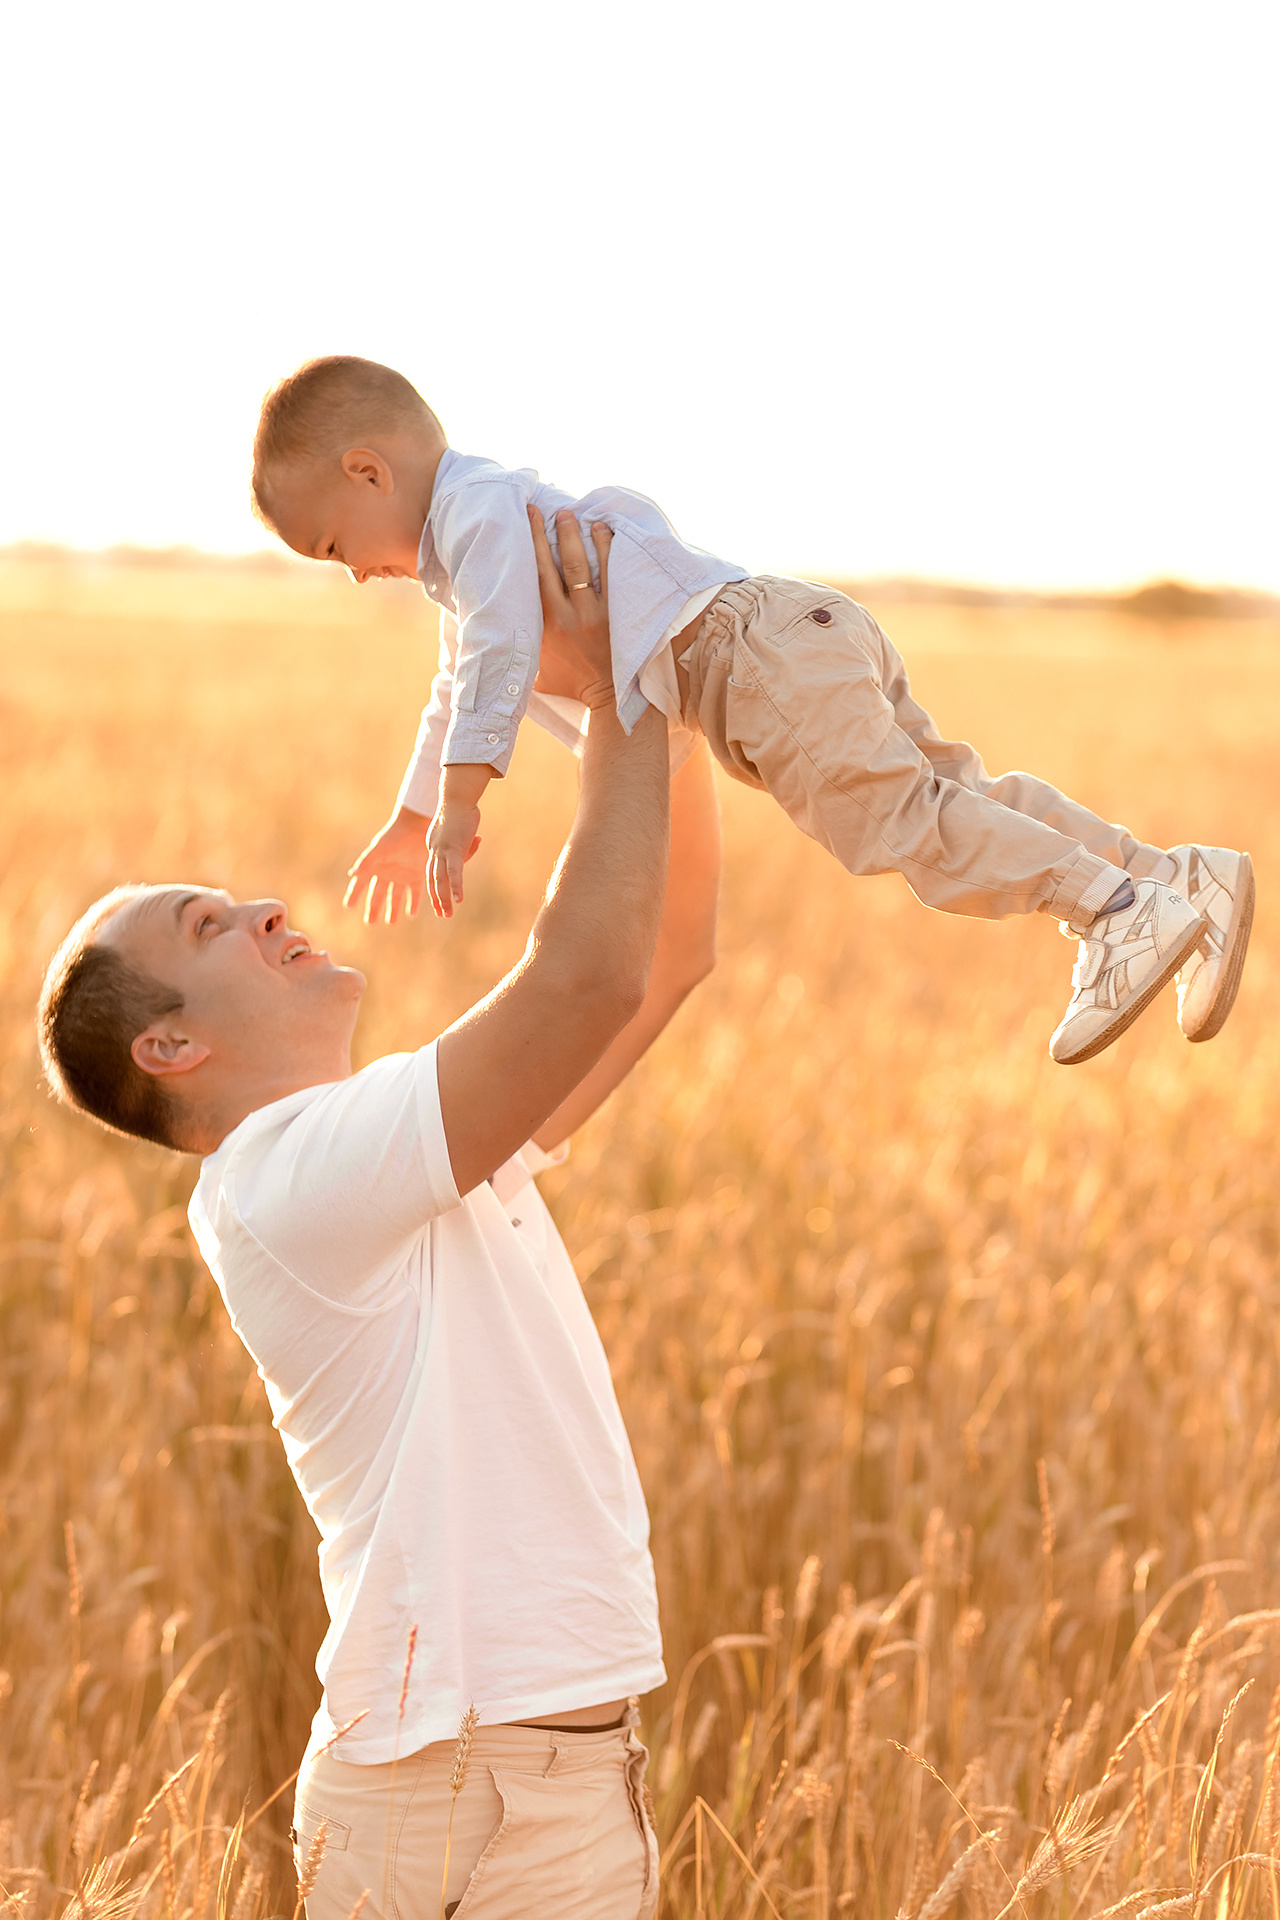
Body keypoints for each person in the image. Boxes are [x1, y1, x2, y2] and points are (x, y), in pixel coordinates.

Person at [36, 515, 717, 1920]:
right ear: (170, 1049)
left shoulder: (411, 1158)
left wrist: (668, 690)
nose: (264, 907)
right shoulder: (287, 1178)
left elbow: (663, 960)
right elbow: (585, 979)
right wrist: (629, 675)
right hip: (455, 1788)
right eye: (206, 926)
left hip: (542, 1769)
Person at [248, 354, 1253, 1068]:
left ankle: (1116, 912)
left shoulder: (469, 524)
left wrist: (463, 804)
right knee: (955, 792)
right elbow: (456, 678)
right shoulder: (478, 531)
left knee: (896, 823)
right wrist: (416, 810)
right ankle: (1169, 877)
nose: (352, 577)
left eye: (335, 547)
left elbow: (499, 652)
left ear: (368, 471)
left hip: (751, 663)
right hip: (789, 628)